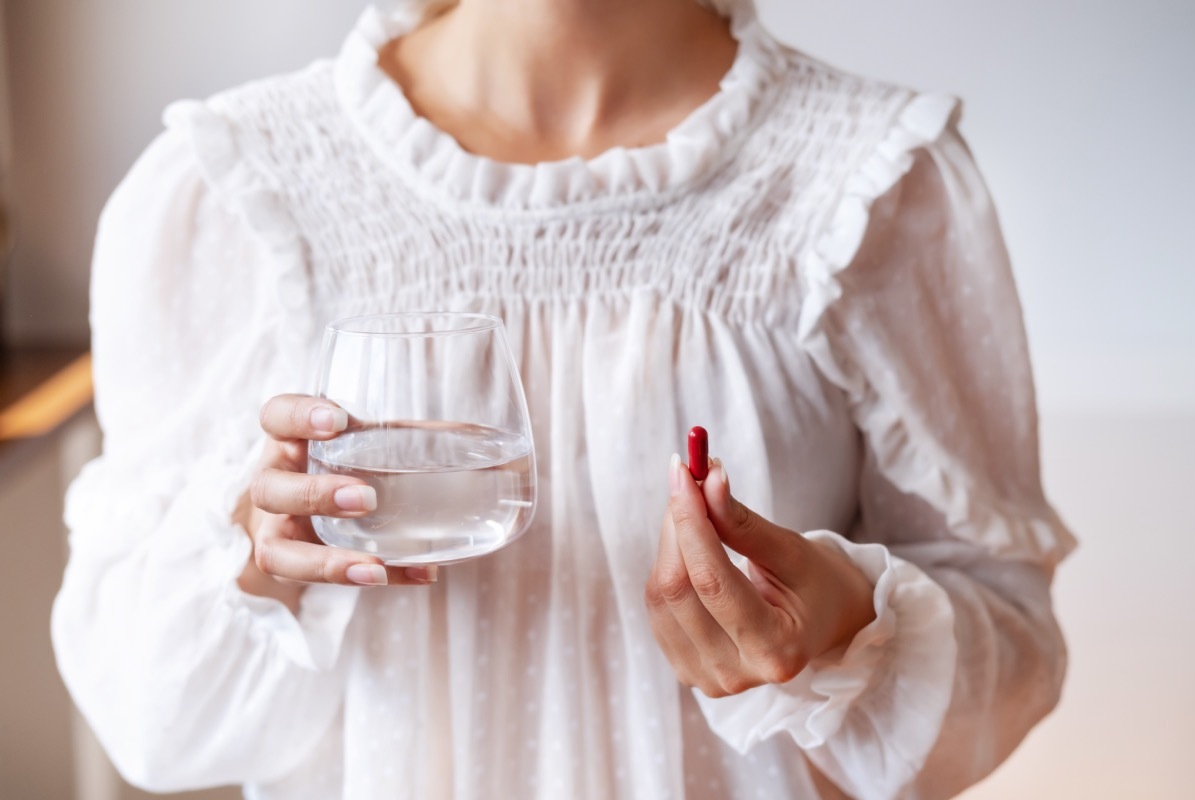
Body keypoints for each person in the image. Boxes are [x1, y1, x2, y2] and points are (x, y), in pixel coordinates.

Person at [51, 0, 1077, 797]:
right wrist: (257, 554)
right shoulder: (233, 190)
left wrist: (841, 625)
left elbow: (1013, 650)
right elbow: (152, 721)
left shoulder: (875, 184)